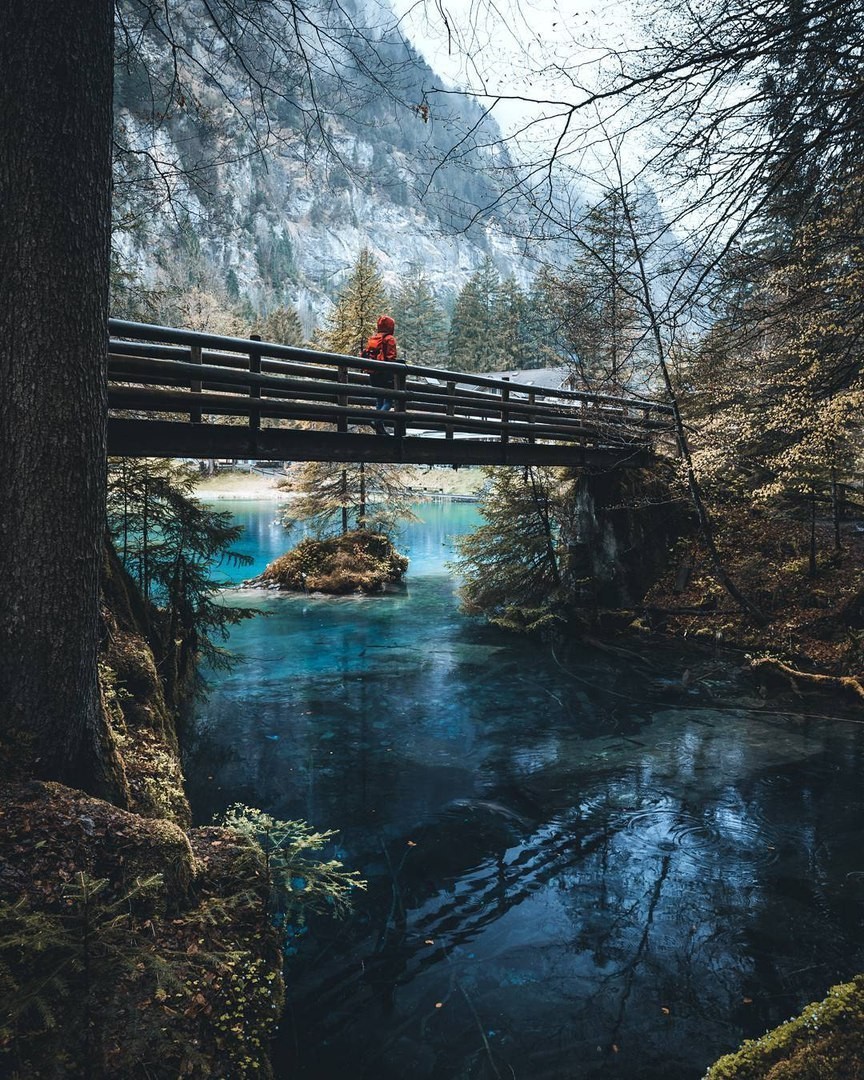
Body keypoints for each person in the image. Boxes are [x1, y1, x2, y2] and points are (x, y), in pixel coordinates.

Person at [362, 315, 403, 435]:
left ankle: (380, 429)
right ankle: (377, 421)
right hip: (385, 374)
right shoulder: (389, 339)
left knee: (379, 400)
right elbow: (391, 357)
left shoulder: (374, 338)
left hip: (373, 374)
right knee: (389, 401)